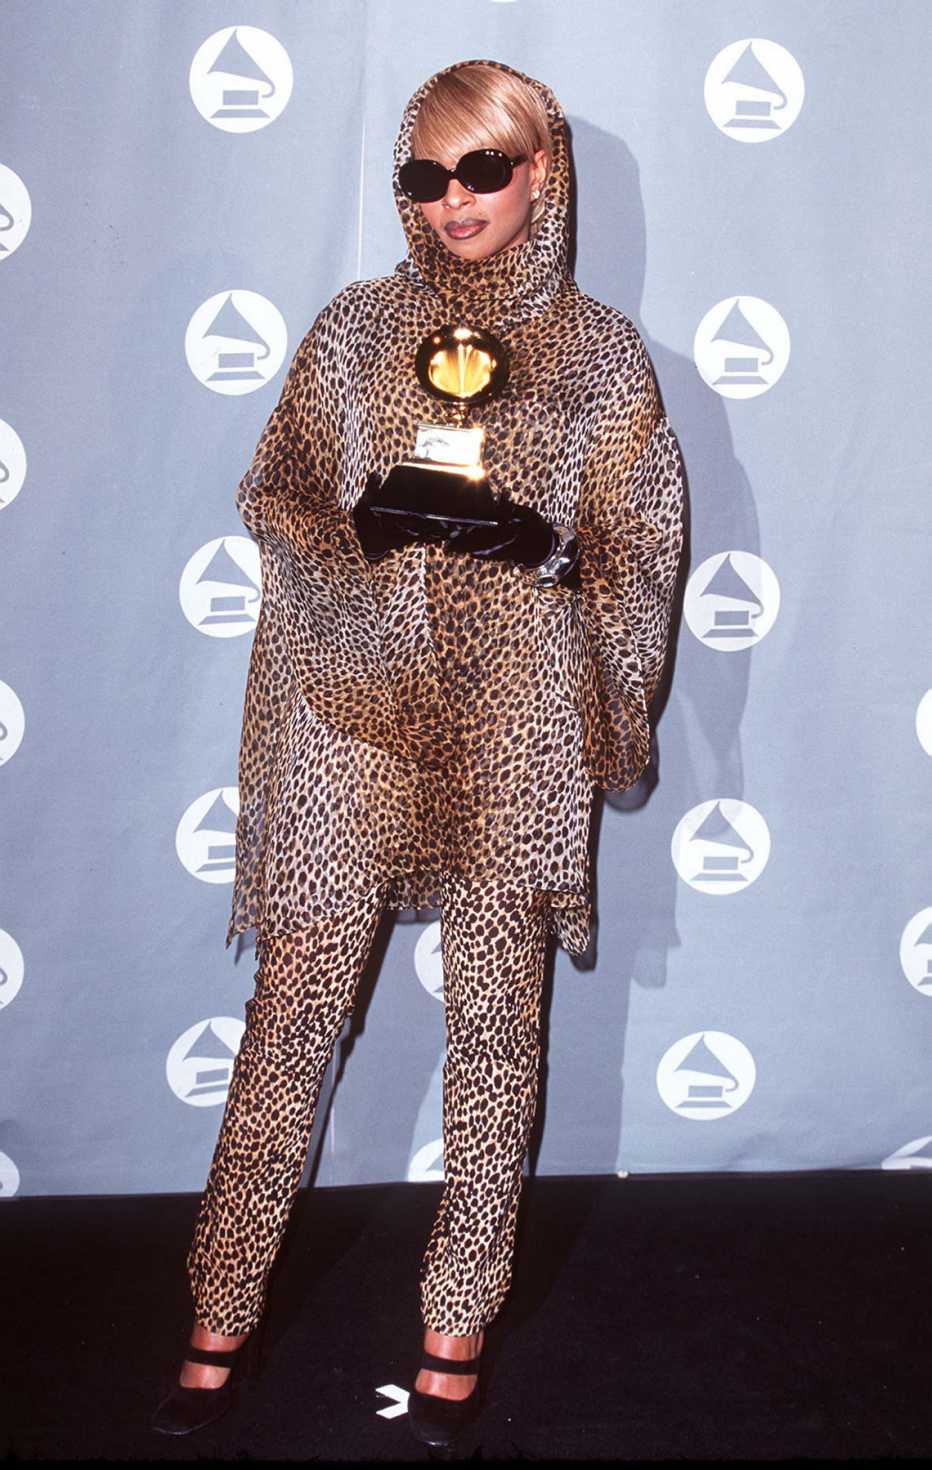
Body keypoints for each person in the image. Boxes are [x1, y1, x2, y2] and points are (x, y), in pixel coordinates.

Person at [151, 57, 685, 1452]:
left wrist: (555, 548)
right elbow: (274, 492)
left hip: (518, 714)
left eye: (481, 171)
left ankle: (457, 1320)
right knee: (293, 1017)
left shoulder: (602, 355)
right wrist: (361, 535)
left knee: (500, 1029)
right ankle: (219, 1301)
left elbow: (648, 545)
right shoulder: (352, 331)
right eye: (423, 175)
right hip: (353, 710)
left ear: (542, 172)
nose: (452, 201)